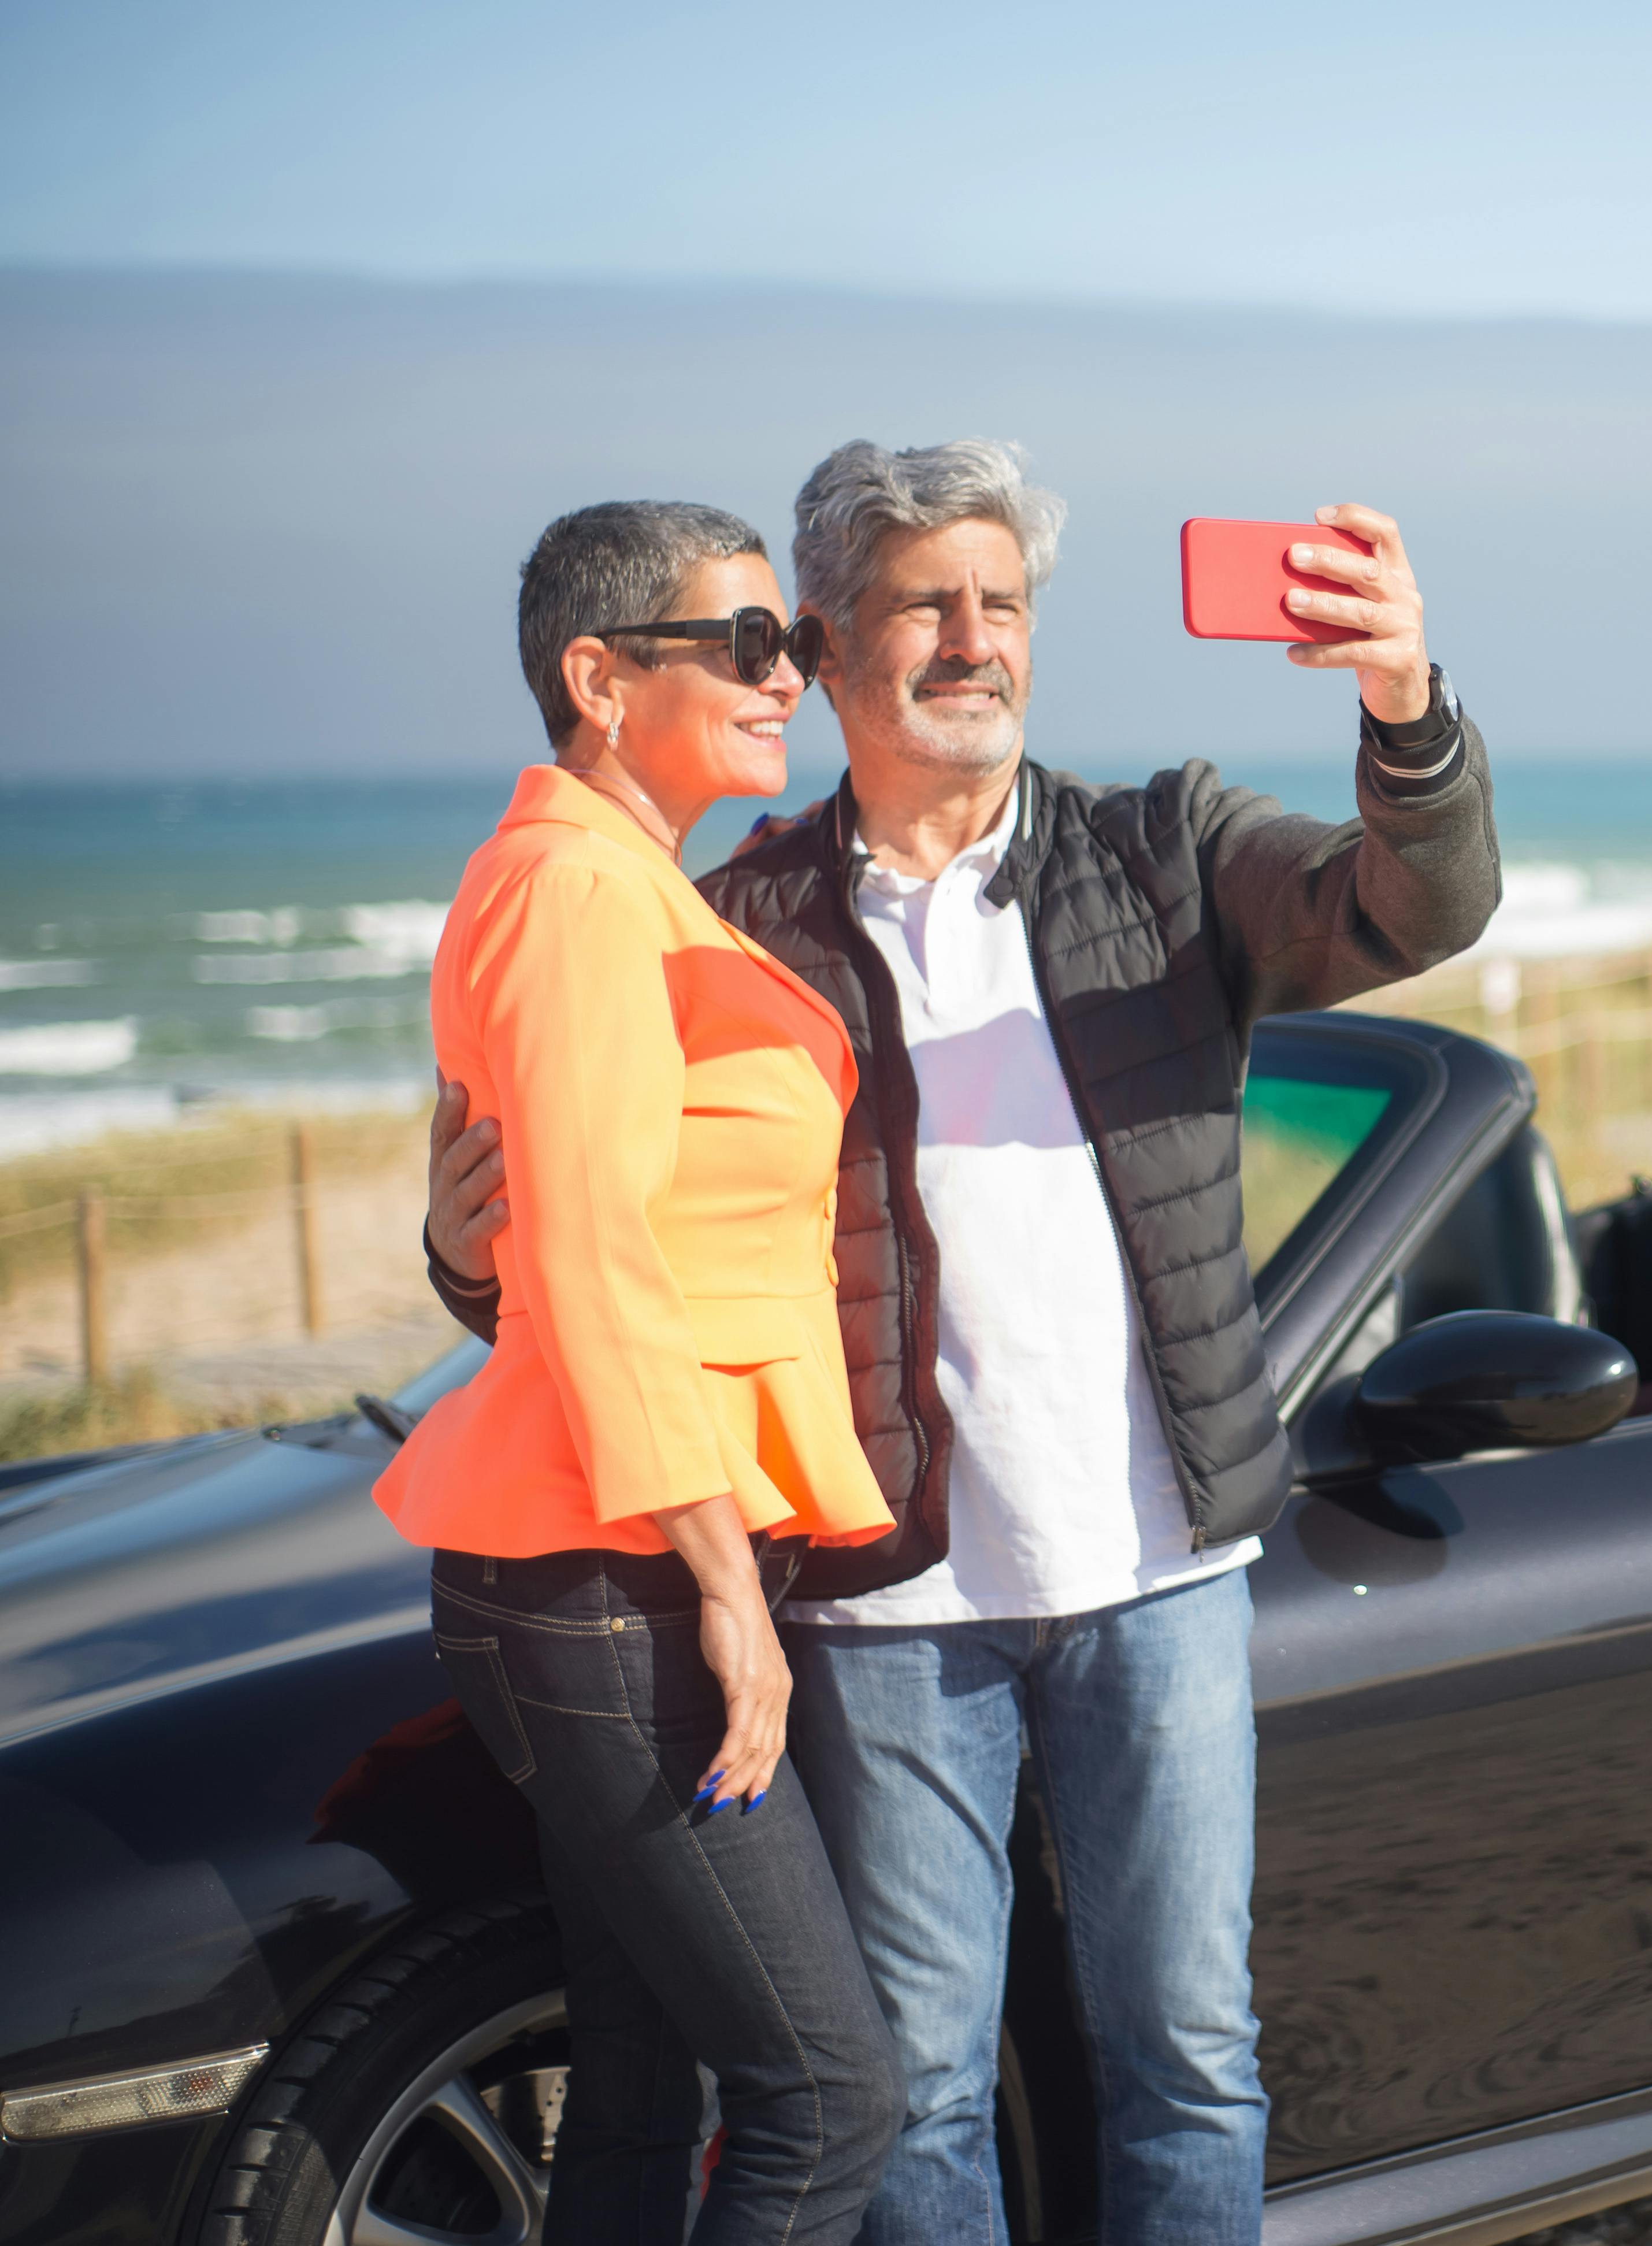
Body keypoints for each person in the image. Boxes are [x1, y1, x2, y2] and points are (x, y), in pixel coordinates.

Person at [422, 439, 1499, 2242]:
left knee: (1190, 2055)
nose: (976, 639)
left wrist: (1406, 702)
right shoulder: (734, 919)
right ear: (829, 646)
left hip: (1159, 1571)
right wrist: (466, 1259)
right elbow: (605, 1231)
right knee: (917, 2083)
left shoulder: (1171, 848)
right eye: (927, 602)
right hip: (883, 1601)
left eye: (1003, 603)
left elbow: (1416, 908)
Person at [376, 501, 901, 2239]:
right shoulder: (574, 897)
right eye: (749, 645)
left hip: (628, 1557)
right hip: (617, 1575)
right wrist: (719, 1593)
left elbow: (567, 1228)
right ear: (599, 679)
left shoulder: (624, 887)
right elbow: (593, 1259)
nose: (788, 681)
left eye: (796, 647)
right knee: (828, 2101)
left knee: (641, 2077)